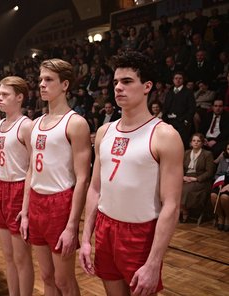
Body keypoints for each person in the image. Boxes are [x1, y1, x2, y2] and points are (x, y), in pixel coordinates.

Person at [80, 51, 183, 296]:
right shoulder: (104, 132)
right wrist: (86, 239)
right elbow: (95, 188)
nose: (118, 88)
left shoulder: (164, 135)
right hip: (105, 228)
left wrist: (154, 261)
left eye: (127, 82)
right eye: (116, 82)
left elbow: (171, 204)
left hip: (140, 233)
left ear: (147, 86)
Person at [19, 59, 91, 296]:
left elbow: (83, 179)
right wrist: (26, 212)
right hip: (37, 201)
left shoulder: (76, 123)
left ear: (65, 85)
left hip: (60, 203)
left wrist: (72, 226)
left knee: (64, 280)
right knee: (47, 276)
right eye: (40, 79)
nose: (41, 84)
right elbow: (31, 170)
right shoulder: (36, 123)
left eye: (48, 80)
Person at [0, 76, 34, 296]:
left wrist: (26, 207)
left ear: (19, 97)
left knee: (21, 257)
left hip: (19, 190)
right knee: (8, 255)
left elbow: (32, 168)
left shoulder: (27, 125)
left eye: (5, 94)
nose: (0, 98)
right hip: (1, 188)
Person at [181, 133, 214, 223]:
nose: (196, 143)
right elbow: (180, 168)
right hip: (186, 177)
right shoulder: (186, 153)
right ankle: (181, 210)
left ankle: (185, 212)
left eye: (198, 141)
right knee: (173, 187)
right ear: (191, 143)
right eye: (194, 141)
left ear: (202, 143)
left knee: (185, 190)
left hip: (200, 180)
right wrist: (183, 177)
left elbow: (209, 172)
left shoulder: (207, 154)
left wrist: (196, 179)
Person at [163, 72, 196, 148]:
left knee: (181, 144)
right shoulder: (169, 92)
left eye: (180, 78)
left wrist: (186, 120)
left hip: (182, 123)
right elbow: (165, 107)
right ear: (173, 80)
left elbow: (192, 108)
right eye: (176, 78)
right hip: (169, 122)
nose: (178, 80)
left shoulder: (188, 92)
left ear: (183, 80)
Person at [211, 141, 229, 231]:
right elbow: (218, 174)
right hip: (222, 181)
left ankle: (227, 217)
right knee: (214, 196)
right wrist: (219, 183)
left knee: (224, 197)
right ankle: (220, 216)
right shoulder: (223, 159)